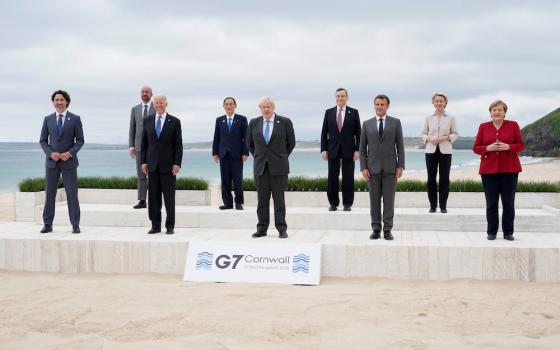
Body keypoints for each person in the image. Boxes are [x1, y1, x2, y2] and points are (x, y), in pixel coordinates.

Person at [473, 100, 524, 241]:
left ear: (504, 112)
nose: (497, 112)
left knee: (508, 203)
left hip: (510, 170)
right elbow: (476, 148)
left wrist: (508, 147)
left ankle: (508, 232)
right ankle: (491, 232)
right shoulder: (483, 127)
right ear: (490, 113)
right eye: (494, 110)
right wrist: (487, 148)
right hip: (488, 171)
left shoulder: (513, 125)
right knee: (491, 204)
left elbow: (521, 145)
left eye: (500, 110)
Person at [246, 97, 295, 239]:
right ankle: (261, 229)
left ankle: (282, 229)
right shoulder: (254, 123)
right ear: (260, 108)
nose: (266, 109)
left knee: (279, 199)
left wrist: (281, 156)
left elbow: (291, 143)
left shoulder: (285, 122)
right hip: (260, 167)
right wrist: (260, 156)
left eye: (268, 107)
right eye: (263, 107)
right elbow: (249, 144)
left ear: (273, 108)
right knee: (262, 200)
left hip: (279, 167)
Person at [359, 95, 405, 240]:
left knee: (389, 201)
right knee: (374, 201)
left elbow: (400, 146)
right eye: (377, 104)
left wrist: (400, 166)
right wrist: (363, 167)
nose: (379, 107)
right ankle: (376, 229)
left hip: (391, 168)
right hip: (372, 169)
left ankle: (387, 230)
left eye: (382, 104)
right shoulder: (366, 124)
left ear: (387, 106)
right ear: (374, 105)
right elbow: (361, 148)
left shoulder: (396, 123)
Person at [39, 90, 84, 234]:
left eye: (61, 100)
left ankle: (75, 224)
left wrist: (70, 153)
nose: (59, 102)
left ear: (67, 102)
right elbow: (43, 140)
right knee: (50, 194)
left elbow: (80, 141)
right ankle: (47, 224)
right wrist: (50, 153)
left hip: (69, 163)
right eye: (56, 100)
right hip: (51, 163)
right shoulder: (47, 119)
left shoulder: (75, 119)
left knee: (72, 194)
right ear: (53, 102)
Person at [141, 95, 183, 235]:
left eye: (161, 102)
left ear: (166, 104)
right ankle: (155, 225)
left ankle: (170, 225)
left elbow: (178, 146)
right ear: (154, 105)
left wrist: (177, 163)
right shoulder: (147, 121)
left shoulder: (175, 121)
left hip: (169, 166)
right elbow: (144, 144)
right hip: (152, 165)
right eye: (156, 103)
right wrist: (144, 161)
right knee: (153, 198)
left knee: (169, 197)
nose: (159, 105)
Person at [320, 88, 361, 211]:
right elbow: (324, 133)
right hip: (332, 149)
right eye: (338, 96)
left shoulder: (353, 112)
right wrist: (323, 149)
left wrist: (357, 150)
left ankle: (347, 203)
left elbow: (359, 133)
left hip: (349, 150)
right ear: (335, 98)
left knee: (348, 177)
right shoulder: (329, 112)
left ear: (347, 97)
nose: (340, 98)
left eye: (342, 96)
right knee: (332, 177)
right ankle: (333, 203)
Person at [421, 92, 459, 213]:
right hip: (430, 151)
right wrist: (429, 138)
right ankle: (432, 205)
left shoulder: (451, 117)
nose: (439, 103)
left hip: (446, 151)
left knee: (444, 178)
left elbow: (455, 133)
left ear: (445, 103)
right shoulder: (428, 117)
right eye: (436, 101)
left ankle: (443, 206)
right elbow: (422, 133)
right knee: (431, 178)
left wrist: (445, 138)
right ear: (433, 103)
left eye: (441, 101)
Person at [212, 97, 249, 210]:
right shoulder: (219, 120)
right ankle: (228, 203)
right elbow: (216, 137)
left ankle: (238, 203)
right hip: (223, 154)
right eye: (226, 104)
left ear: (235, 105)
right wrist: (215, 153)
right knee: (225, 180)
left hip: (237, 154)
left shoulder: (242, 119)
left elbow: (246, 138)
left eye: (231, 104)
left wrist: (245, 152)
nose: (229, 106)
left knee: (238, 179)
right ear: (224, 106)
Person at [128, 86, 155, 209]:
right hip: (139, 147)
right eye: (143, 92)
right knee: (141, 175)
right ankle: (142, 200)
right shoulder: (135, 109)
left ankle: (155, 200)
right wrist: (131, 146)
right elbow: (132, 128)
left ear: (151, 94)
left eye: (147, 92)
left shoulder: (157, 107)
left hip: (153, 146)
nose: (145, 94)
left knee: (154, 174)